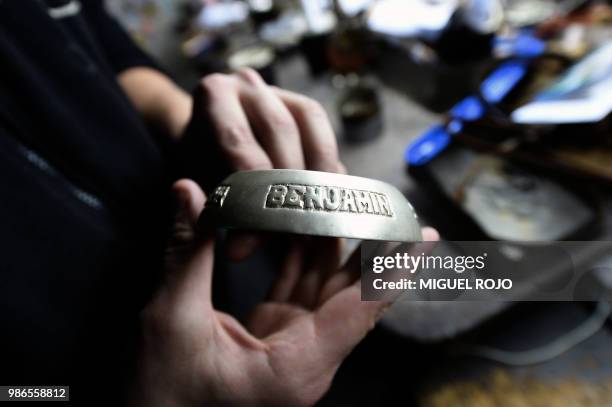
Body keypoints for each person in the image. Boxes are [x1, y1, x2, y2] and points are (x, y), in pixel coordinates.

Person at [0, 1, 437, 405]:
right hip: (124, 372)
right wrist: (134, 398)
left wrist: (184, 115)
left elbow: (98, 41)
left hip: (244, 264)